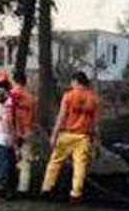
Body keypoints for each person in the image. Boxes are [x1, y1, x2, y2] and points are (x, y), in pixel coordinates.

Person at [41, 71, 101, 201]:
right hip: (83, 137)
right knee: (80, 165)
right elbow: (95, 123)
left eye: (72, 82)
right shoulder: (94, 99)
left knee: (55, 162)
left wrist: (54, 134)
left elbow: (61, 116)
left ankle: (47, 188)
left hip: (66, 135)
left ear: (75, 81)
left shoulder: (68, 96)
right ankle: (75, 194)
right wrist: (97, 141)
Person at [10, 71, 42, 194]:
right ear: (25, 82)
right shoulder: (31, 98)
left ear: (14, 81)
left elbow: (7, 115)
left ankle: (8, 186)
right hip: (28, 131)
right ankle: (23, 189)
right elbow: (34, 117)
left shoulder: (10, 95)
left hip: (13, 131)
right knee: (26, 161)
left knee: (10, 159)